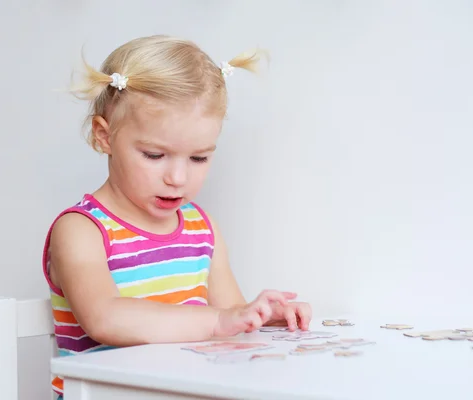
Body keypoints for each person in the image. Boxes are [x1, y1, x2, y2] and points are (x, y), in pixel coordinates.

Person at [42, 35, 312, 398]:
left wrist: (263, 317)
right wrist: (218, 322)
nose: (178, 178)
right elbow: (105, 318)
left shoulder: (202, 229)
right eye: (155, 155)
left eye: (199, 158)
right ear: (105, 136)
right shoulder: (80, 230)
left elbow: (232, 314)